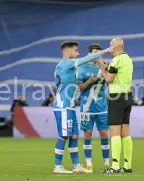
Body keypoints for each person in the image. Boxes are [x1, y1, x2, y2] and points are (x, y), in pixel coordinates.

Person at [52, 41, 115, 174]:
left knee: (74, 135)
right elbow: (85, 59)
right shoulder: (66, 63)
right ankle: (57, 166)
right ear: (68, 52)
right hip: (63, 106)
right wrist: (105, 51)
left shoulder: (62, 66)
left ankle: (76, 165)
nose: (78, 53)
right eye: (75, 50)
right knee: (63, 136)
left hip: (70, 106)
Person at [100, 38, 133, 173]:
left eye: (110, 46)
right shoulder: (128, 59)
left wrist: (103, 69)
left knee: (114, 131)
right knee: (125, 132)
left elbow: (108, 79)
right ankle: (127, 165)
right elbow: (118, 74)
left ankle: (114, 166)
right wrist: (108, 67)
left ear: (115, 46)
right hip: (127, 97)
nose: (110, 49)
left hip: (116, 98)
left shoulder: (116, 60)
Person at [76, 44, 109, 172]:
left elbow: (110, 81)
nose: (97, 56)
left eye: (99, 53)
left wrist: (104, 69)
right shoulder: (82, 68)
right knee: (88, 134)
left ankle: (106, 163)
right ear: (89, 53)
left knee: (104, 134)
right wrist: (90, 81)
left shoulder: (104, 66)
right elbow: (80, 88)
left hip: (101, 106)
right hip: (87, 107)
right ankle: (89, 163)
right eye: (95, 53)